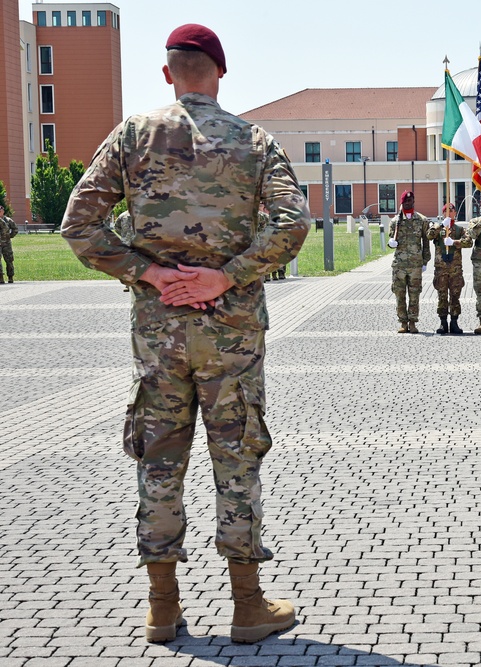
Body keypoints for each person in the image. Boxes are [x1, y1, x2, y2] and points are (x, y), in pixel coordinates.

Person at [61, 24, 310, 644]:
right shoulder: (254, 142)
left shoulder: (133, 136)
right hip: (231, 335)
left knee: (159, 462)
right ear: (219, 74)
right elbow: (292, 223)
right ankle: (248, 607)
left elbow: (78, 224)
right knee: (237, 459)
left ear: (168, 73)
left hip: (159, 333)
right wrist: (224, 278)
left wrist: (146, 271)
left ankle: (161, 608)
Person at [388, 190, 430, 333]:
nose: (408, 202)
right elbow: (390, 239)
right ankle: (403, 322)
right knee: (399, 294)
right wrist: (390, 243)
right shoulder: (395, 221)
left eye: (410, 200)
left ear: (414, 201)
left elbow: (426, 241)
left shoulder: (421, 220)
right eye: (405, 201)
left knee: (414, 294)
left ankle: (412, 322)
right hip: (399, 265)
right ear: (401, 202)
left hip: (415, 264)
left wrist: (425, 261)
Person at [427, 202, 472, 334]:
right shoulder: (438, 229)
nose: (449, 213)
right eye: (446, 211)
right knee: (442, 296)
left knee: (455, 296)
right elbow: (429, 235)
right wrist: (441, 225)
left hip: (455, 268)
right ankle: (442, 323)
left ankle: (454, 322)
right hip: (441, 269)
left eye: (451, 211)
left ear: (455, 213)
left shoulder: (459, 230)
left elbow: (469, 242)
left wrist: (454, 242)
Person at [0, 205, 17, 283]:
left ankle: (10, 277)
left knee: (9, 260)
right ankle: (1, 278)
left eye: (1, 210)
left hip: (6, 243)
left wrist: (10, 236)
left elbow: (15, 229)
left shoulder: (8, 220)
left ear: (3, 211)